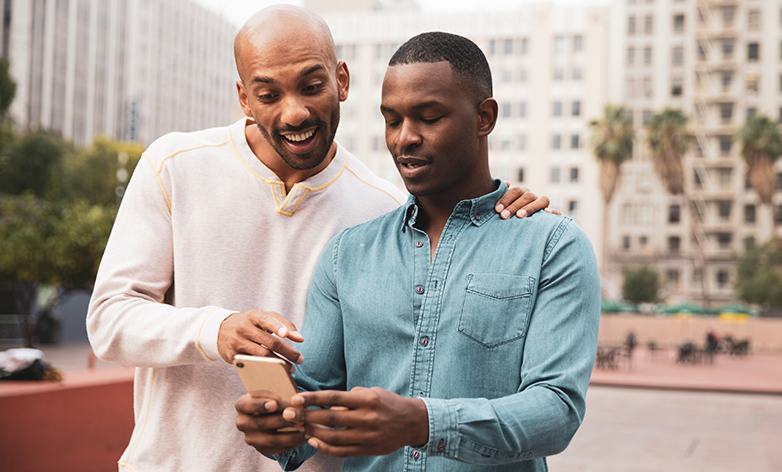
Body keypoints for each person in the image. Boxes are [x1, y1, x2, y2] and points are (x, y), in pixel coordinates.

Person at [86, 6, 549, 472]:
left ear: (341, 81)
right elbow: (109, 320)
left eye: (312, 86)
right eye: (268, 94)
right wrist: (216, 330)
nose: (295, 112)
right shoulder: (174, 166)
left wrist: (502, 206)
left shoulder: (385, 208)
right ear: (244, 99)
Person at [234, 32, 600, 472]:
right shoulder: (346, 255)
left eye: (429, 118)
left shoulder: (552, 246)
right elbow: (316, 404)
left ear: (484, 118)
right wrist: (280, 429)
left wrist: (424, 423)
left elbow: (556, 412)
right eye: (392, 120)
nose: (404, 139)